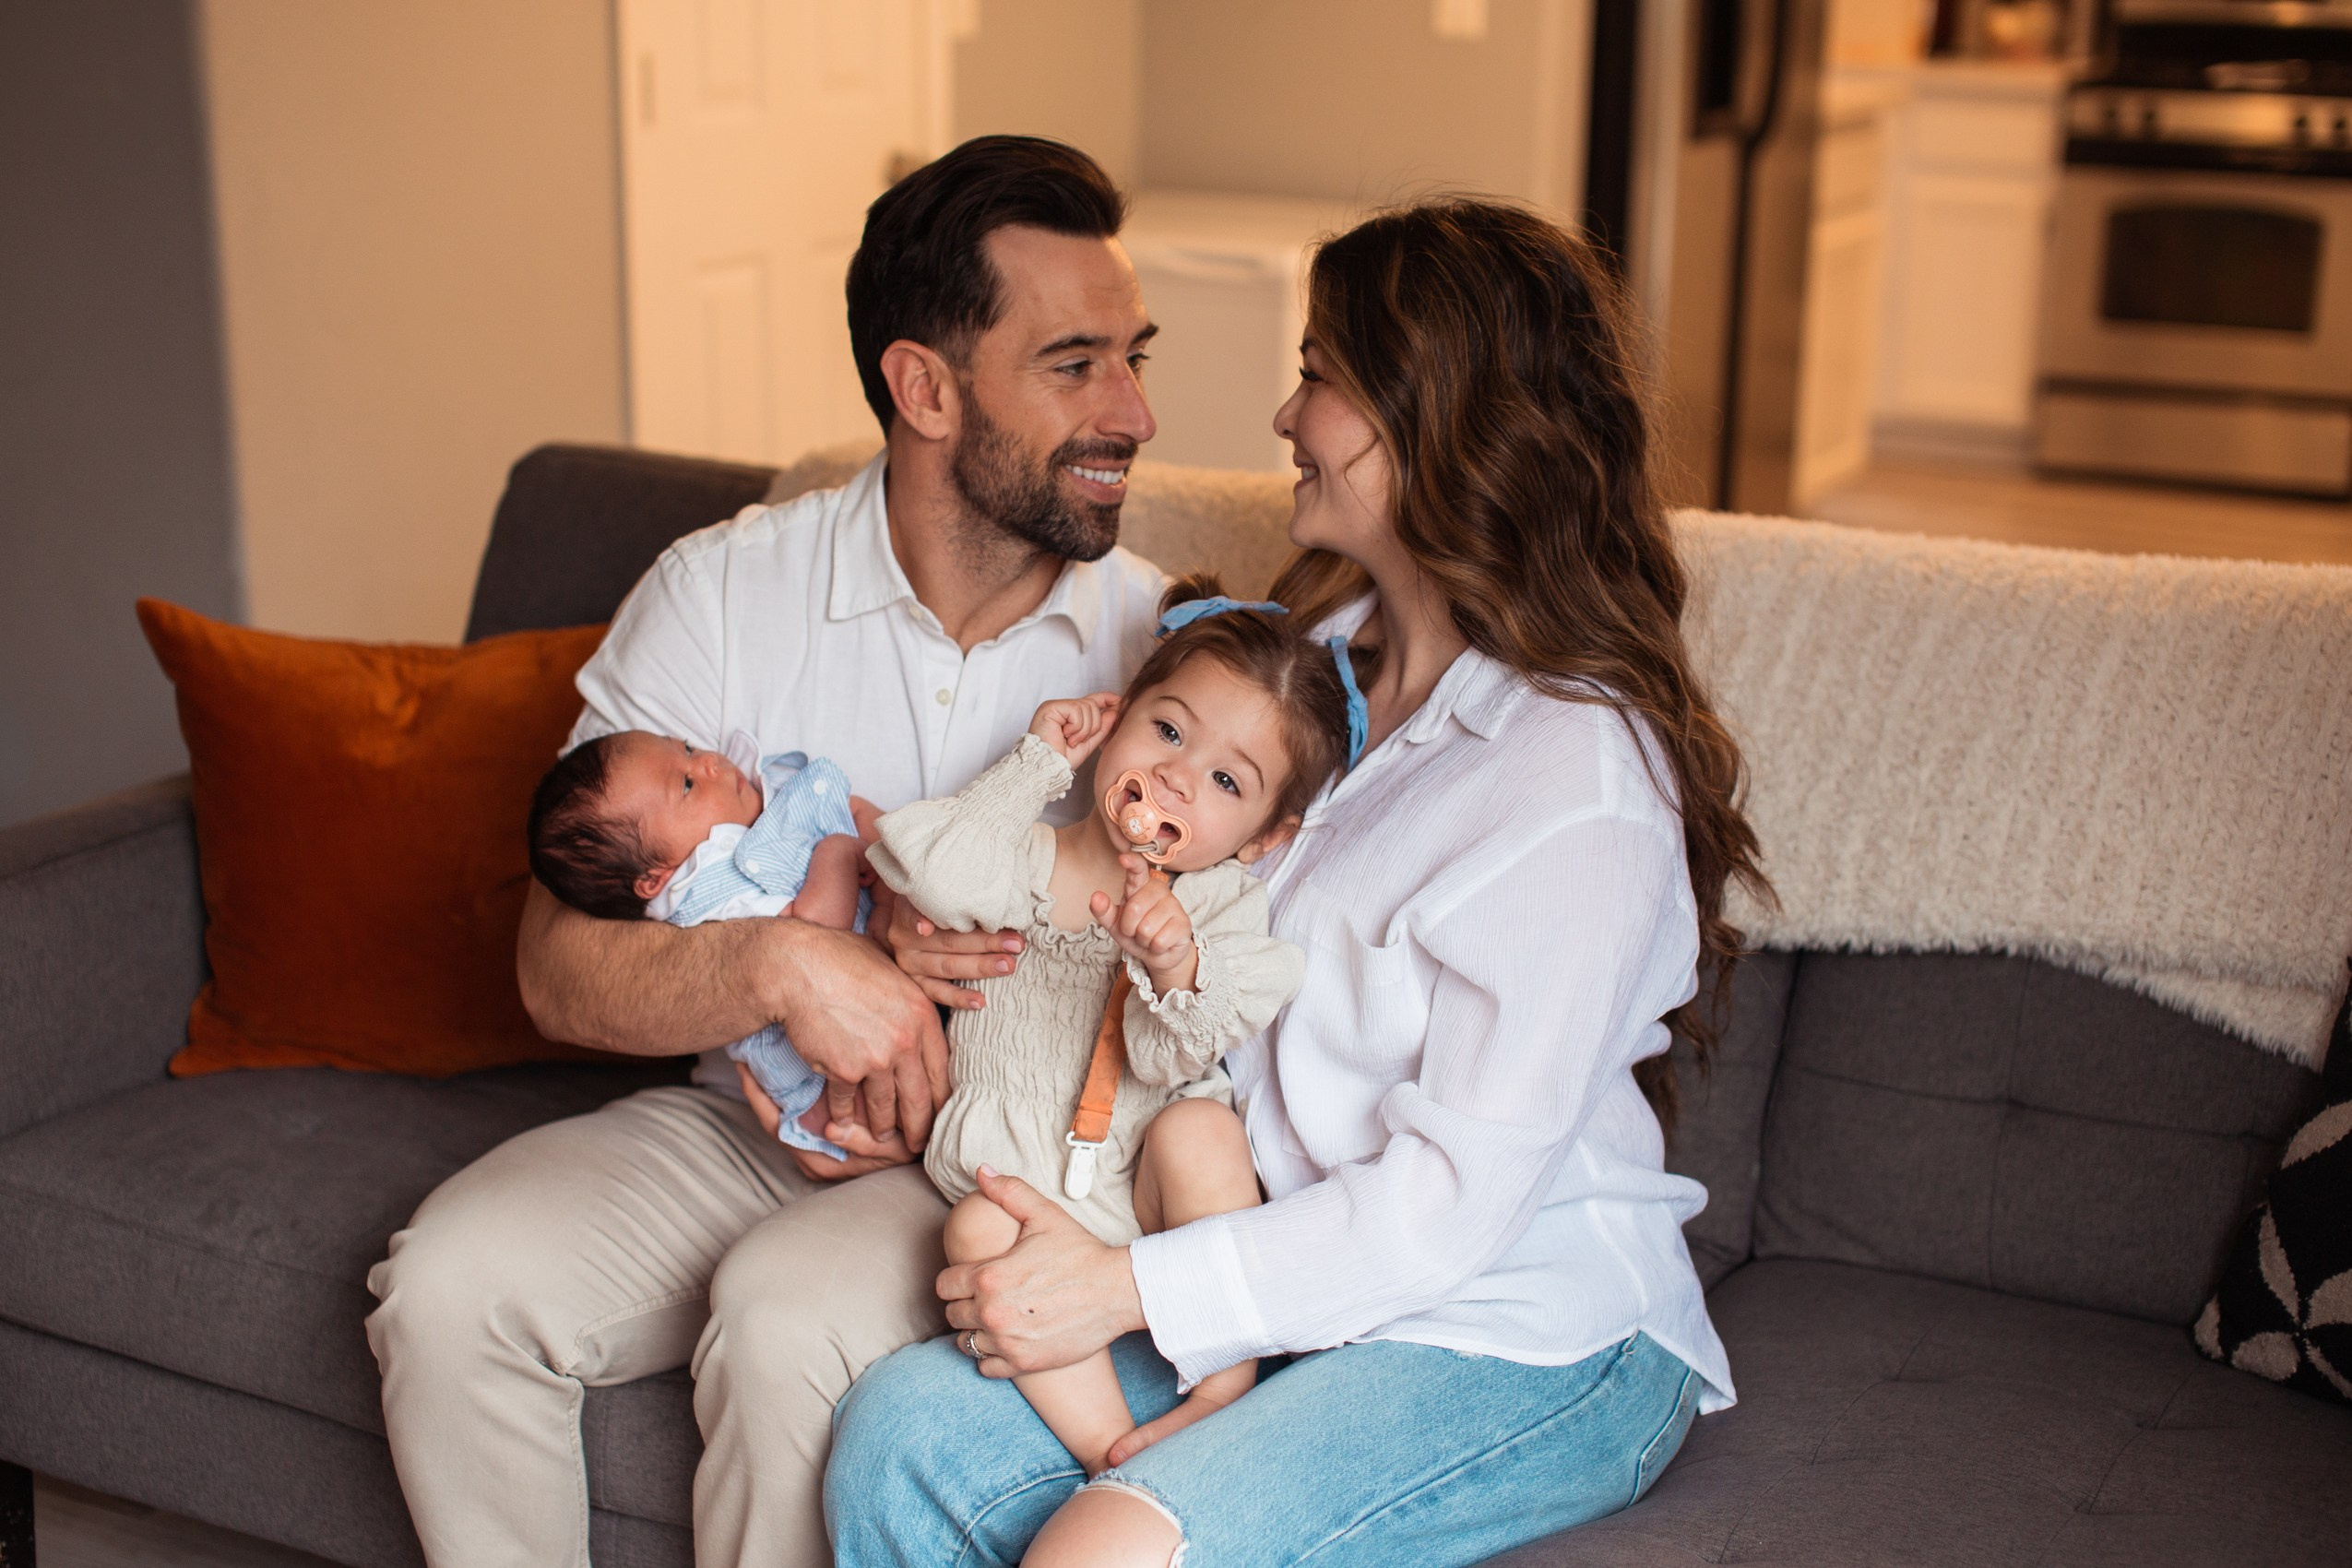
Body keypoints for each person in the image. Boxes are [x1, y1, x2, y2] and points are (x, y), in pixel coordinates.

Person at [825, 197, 1773, 1568]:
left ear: (1434, 418)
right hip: (1283, 1274)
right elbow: (1130, 902)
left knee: (1108, 1550)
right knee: (899, 1438)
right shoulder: (1310, 665)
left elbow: (1446, 1208)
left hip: (1512, 1327)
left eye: (1322, 372)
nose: (1284, 410)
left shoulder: (1573, 777)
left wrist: (1116, 1286)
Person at [363, 135, 1171, 1568]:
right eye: (1075, 365)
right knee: (446, 1290)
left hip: (997, 1171)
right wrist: (789, 962)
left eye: (1132, 355)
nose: (1136, 411)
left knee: (783, 1318)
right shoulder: (726, 591)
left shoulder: (1160, 646)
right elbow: (557, 970)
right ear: (924, 386)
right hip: (741, 1122)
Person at [870, 576, 1352, 1473]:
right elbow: (928, 871)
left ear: (1261, 836)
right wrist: (1035, 761)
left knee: (1203, 1128)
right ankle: (1113, 1452)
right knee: (973, 1231)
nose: (1173, 774)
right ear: (1119, 713)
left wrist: (1169, 963)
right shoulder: (1024, 854)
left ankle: (1223, 1386)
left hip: (1143, 1184)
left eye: (1223, 780)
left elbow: (1171, 1053)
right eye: (1167, 728)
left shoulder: (1215, 912)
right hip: (1020, 1182)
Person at [525, 729, 885, 1161]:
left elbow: (854, 817)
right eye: (687, 785)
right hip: (831, 1093)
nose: (709, 762)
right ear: (656, 878)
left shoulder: (752, 801)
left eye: (688, 749)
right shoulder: (708, 890)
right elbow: (819, 934)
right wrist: (840, 851)